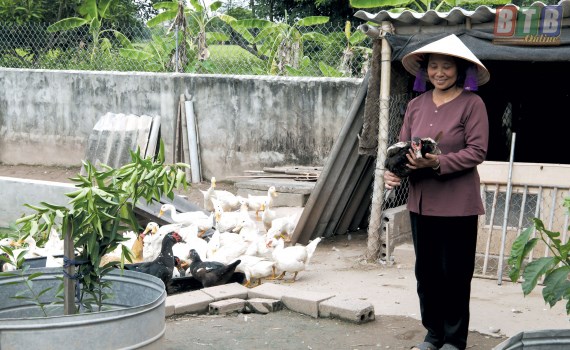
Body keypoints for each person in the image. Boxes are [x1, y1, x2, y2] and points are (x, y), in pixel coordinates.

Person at [384, 34, 490, 350]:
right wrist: (394, 170)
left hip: (458, 205)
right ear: (425, 70)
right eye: (433, 66)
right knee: (427, 275)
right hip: (421, 204)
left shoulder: (473, 104)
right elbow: (401, 148)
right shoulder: (416, 105)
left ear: (459, 70)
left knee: (455, 276)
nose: (439, 73)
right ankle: (433, 335)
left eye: (446, 66)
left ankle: (454, 340)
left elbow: (477, 151)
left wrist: (436, 162)